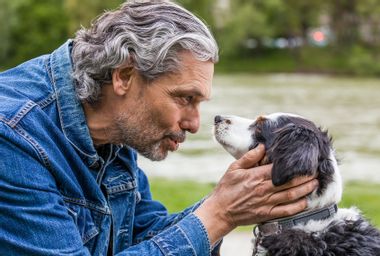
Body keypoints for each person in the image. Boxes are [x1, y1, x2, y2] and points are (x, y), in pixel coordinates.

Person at [0, 1, 318, 255]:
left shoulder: (109, 123)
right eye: (185, 98)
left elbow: (146, 233)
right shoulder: (12, 136)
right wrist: (220, 214)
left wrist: (234, 201)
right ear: (124, 76)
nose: (194, 124)